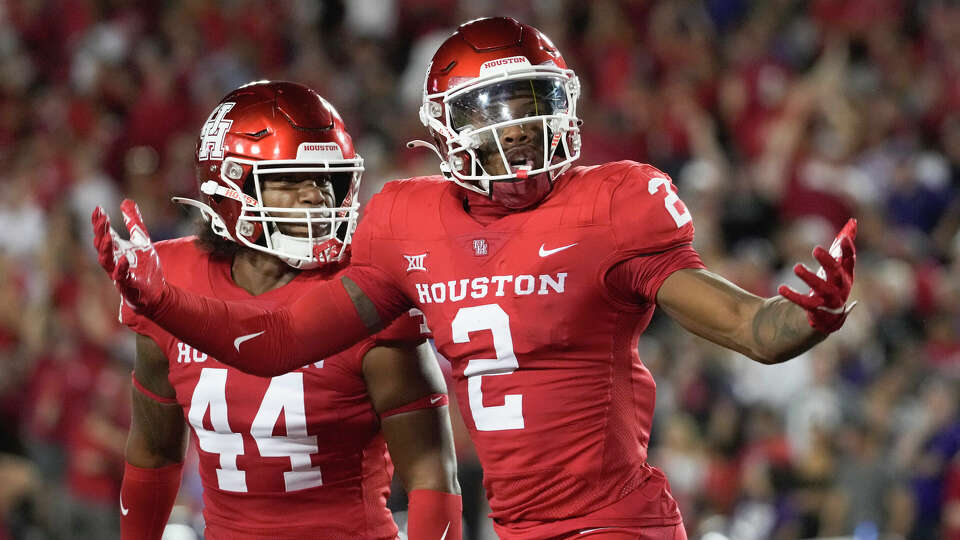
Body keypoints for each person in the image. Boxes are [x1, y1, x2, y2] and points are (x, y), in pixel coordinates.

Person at [93, 19, 857, 540]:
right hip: (519, 527)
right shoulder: (403, 221)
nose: (519, 126)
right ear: (442, 125)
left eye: (533, 103)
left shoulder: (612, 204)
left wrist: (805, 318)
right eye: (495, 107)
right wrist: (159, 299)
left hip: (617, 519)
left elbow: (752, 330)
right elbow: (280, 341)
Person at [110, 81, 461, 540]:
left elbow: (431, 476)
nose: (315, 197)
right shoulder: (171, 278)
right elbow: (153, 453)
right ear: (228, 186)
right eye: (289, 180)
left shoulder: (365, 291)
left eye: (324, 179)